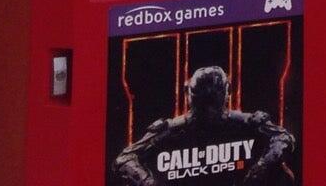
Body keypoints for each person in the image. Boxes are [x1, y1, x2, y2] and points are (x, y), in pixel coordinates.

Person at [114, 66, 292, 185]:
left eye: (212, 100)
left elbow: (283, 137)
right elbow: (124, 159)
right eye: (204, 101)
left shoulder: (245, 122)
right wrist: (149, 182)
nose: (209, 110)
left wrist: (262, 167)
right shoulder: (172, 128)